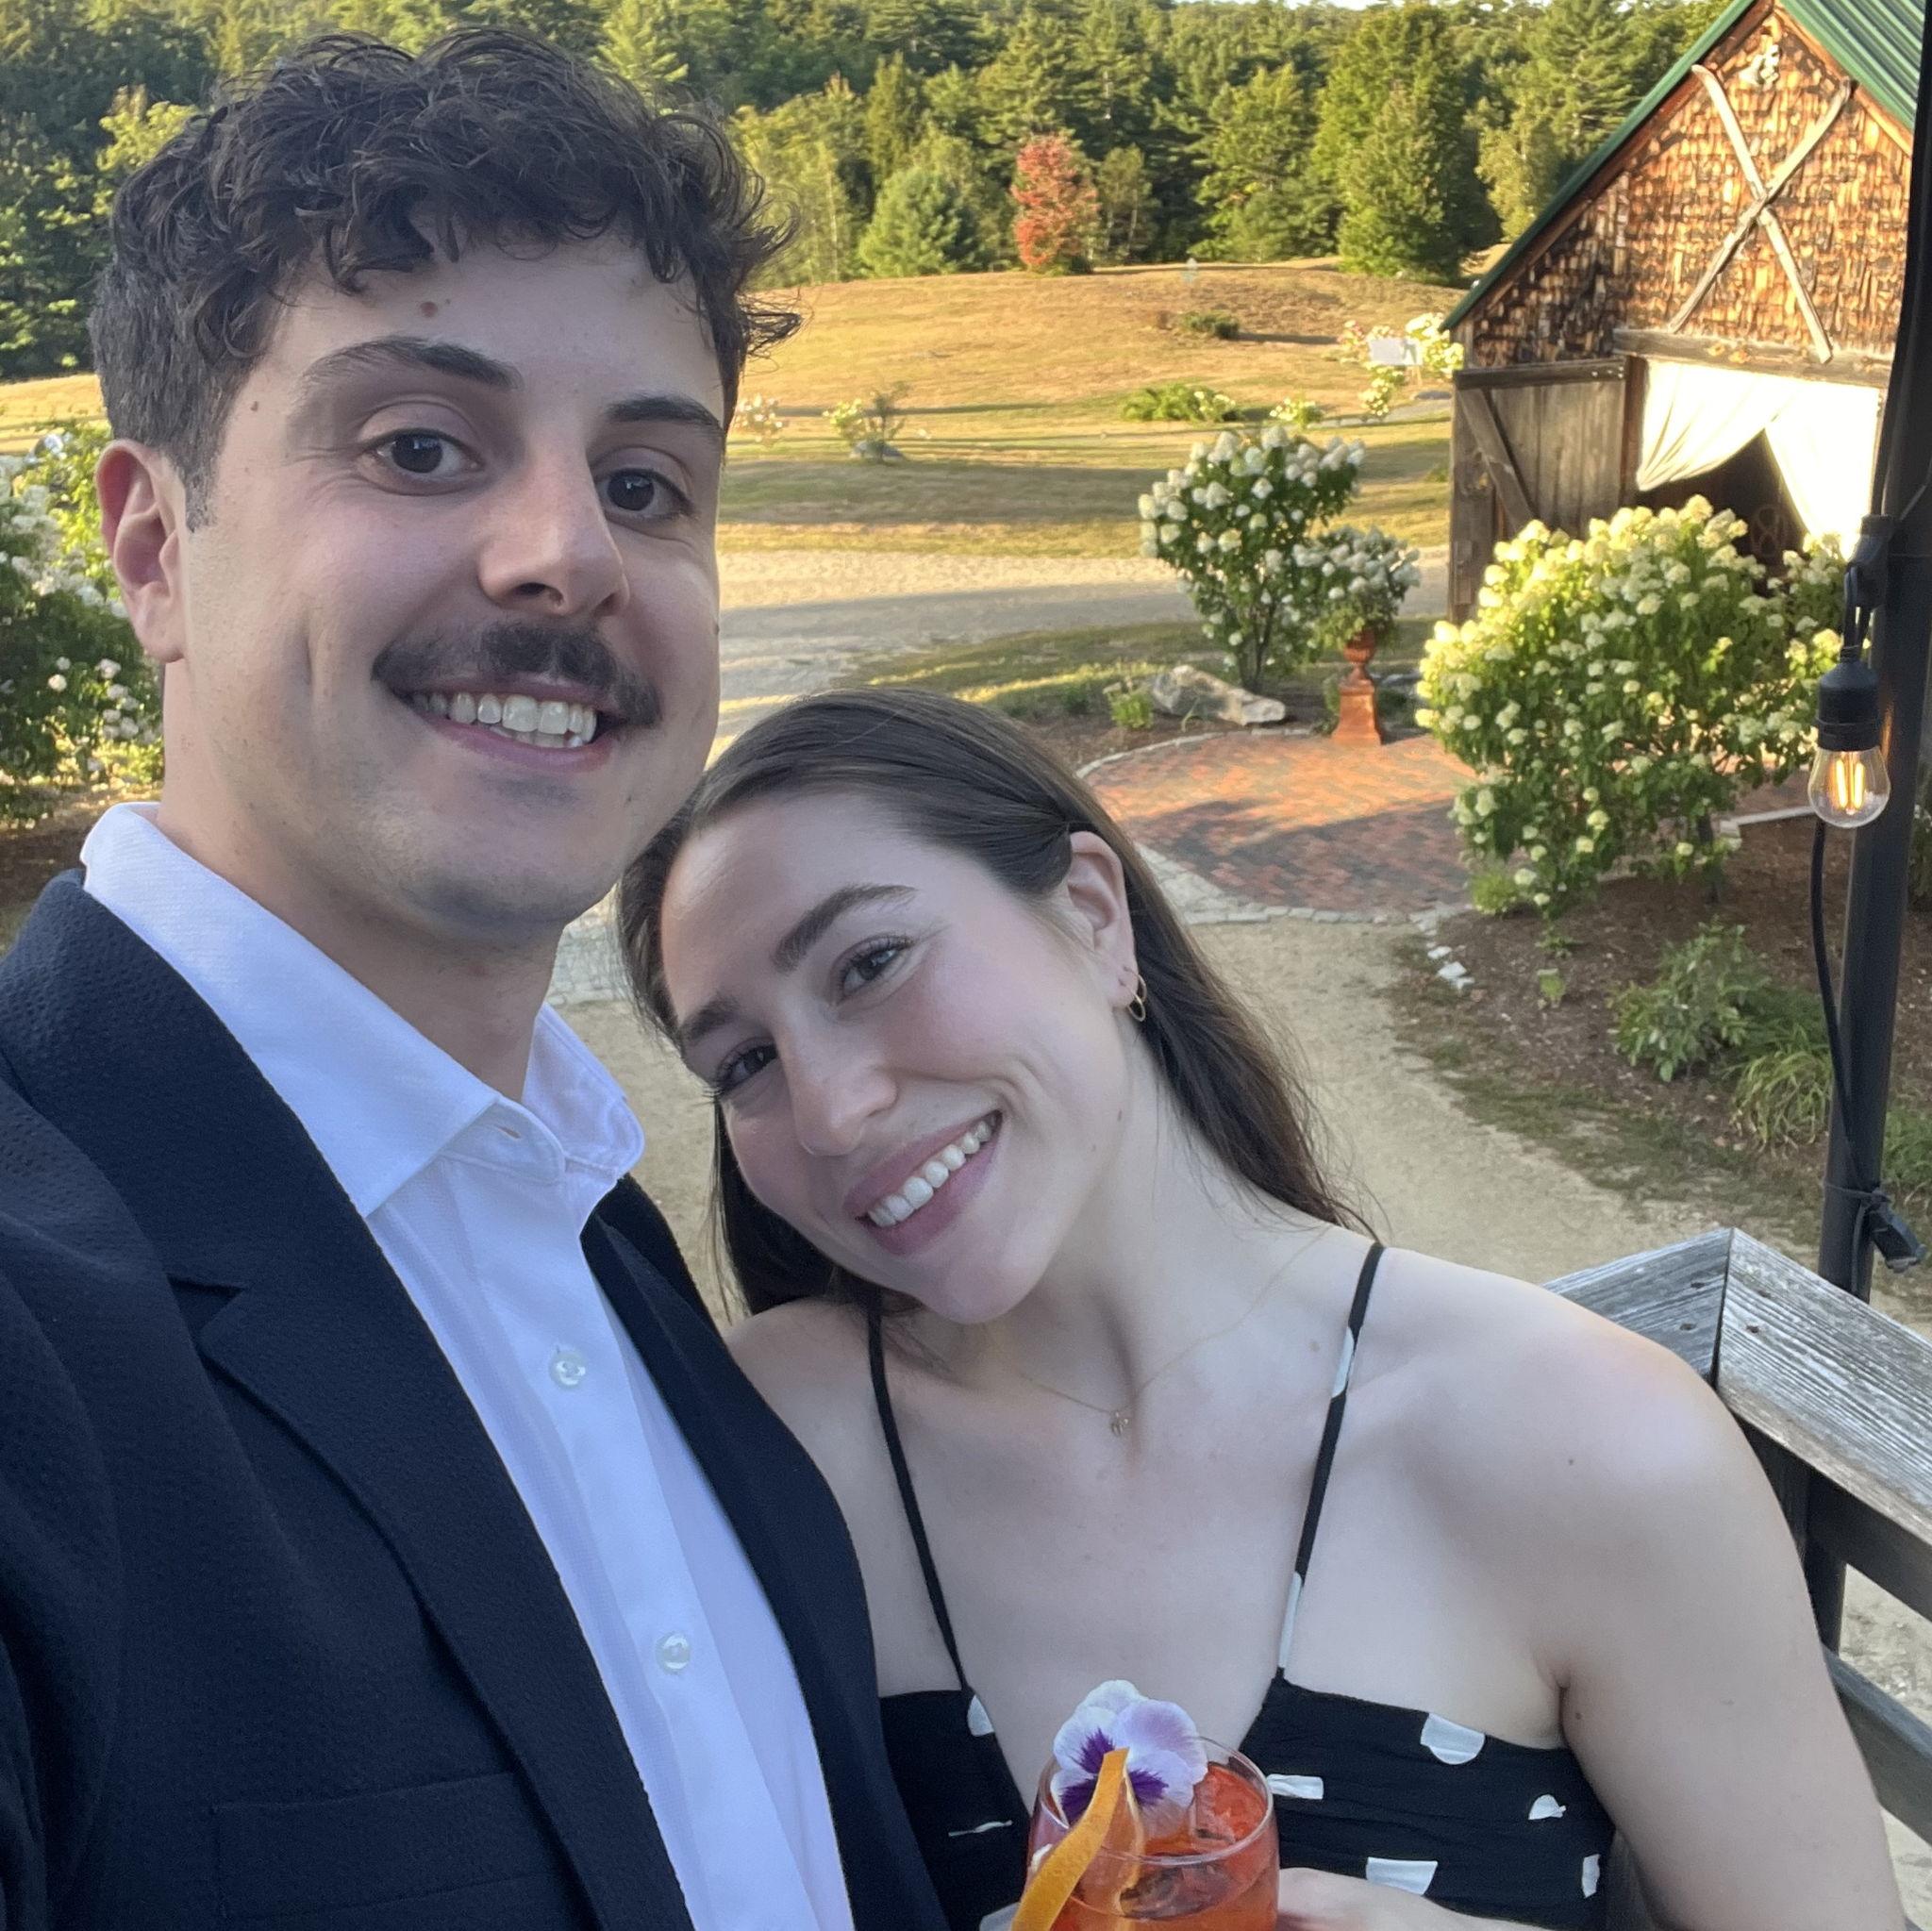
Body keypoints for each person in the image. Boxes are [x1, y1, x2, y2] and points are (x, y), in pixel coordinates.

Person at [0, 33, 945, 1931]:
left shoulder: (597, 1236)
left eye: (648, 481)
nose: (567, 555)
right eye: (418, 446)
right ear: (154, 548)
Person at [624, 687, 1902, 1931]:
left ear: (1092, 916)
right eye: (744, 1062)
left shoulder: (1592, 1445)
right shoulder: (757, 1442)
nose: (830, 1110)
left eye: (870, 964)